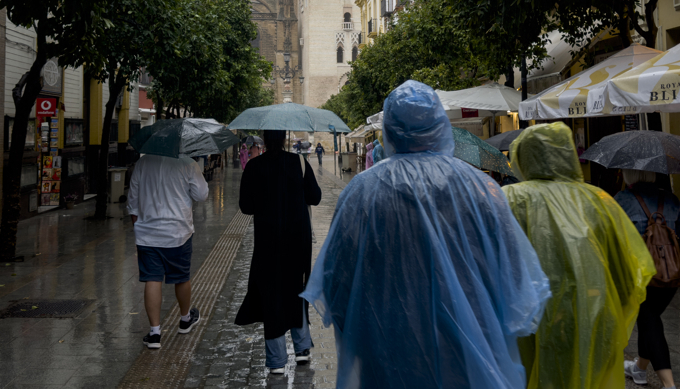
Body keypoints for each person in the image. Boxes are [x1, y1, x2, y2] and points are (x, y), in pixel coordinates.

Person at [302, 81, 552, 389]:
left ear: (389, 131)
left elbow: (336, 284)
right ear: (440, 126)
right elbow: (516, 286)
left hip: (387, 359)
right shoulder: (480, 189)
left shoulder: (360, 193)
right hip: (467, 364)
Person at [503, 123, 655, 389]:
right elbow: (628, 270)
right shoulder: (598, 200)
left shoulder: (509, 199)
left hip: (527, 325)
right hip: (593, 322)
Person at [235, 130, 323, 374]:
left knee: (272, 293)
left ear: (264, 138)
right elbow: (315, 197)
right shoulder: (300, 163)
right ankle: (302, 349)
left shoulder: (253, 167)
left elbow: (245, 207)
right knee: (298, 289)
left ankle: (276, 361)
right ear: (284, 139)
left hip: (267, 242)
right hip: (298, 241)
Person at [614, 169, 680, 389]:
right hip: (669, 274)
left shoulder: (622, 200)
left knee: (650, 321)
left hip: (638, 274)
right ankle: (639, 368)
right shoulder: (671, 199)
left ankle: (669, 384)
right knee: (649, 319)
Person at [126, 152, 209, 349]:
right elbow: (202, 195)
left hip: (148, 233)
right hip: (178, 232)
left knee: (152, 278)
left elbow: (133, 200)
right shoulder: (188, 163)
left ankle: (155, 333)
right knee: (181, 277)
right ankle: (185, 319)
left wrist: (138, 228)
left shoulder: (143, 162)